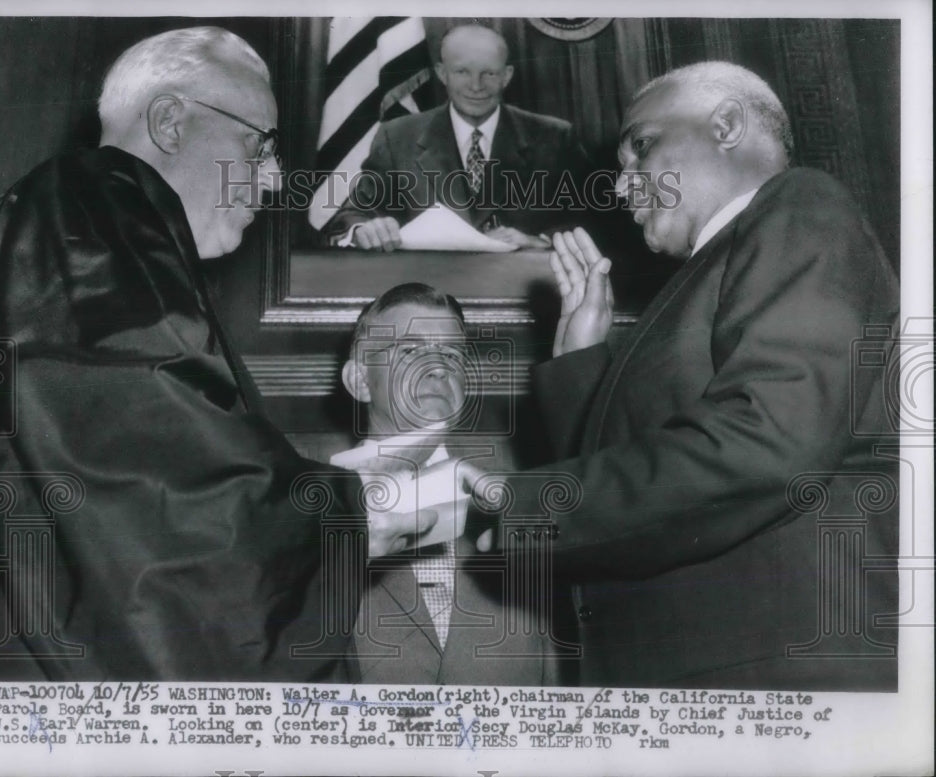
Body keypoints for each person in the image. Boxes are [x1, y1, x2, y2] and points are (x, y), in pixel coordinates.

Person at [0, 26, 430, 681]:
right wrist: (351, 510)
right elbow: (154, 482)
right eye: (260, 145)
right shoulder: (95, 204)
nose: (272, 182)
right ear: (169, 121)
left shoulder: (83, 218)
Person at [466, 62, 900, 690]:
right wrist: (580, 359)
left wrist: (529, 506)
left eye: (641, 145)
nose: (620, 186)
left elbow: (771, 443)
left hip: (777, 679)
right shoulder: (697, 283)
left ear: (726, 124)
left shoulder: (800, 203)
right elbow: (643, 500)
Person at [332, 283, 560, 684]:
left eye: (452, 353)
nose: (438, 366)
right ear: (360, 381)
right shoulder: (302, 513)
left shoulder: (521, 512)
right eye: (410, 350)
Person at [323, 24, 592, 251]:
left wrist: (538, 241)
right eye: (462, 72)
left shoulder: (555, 137)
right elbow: (350, 216)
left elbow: (598, 218)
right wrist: (364, 230)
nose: (476, 86)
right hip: (430, 294)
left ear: (506, 76)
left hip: (518, 291)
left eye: (489, 73)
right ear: (442, 73)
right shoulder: (397, 136)